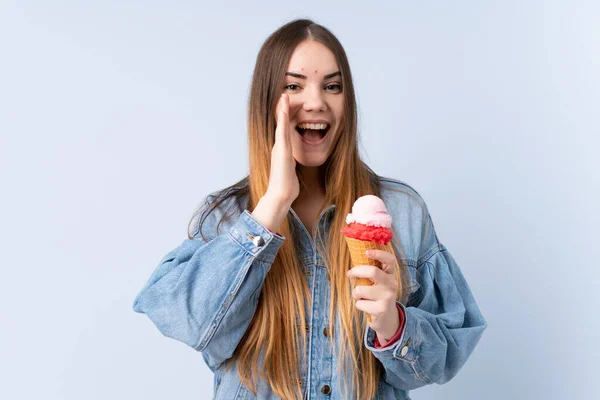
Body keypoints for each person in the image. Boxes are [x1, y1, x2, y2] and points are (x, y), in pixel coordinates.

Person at [132, 18, 487, 400]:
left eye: (332, 86)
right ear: (267, 102)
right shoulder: (226, 216)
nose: (316, 101)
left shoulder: (402, 212)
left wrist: (393, 323)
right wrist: (271, 206)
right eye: (293, 86)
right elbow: (187, 321)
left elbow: (449, 351)